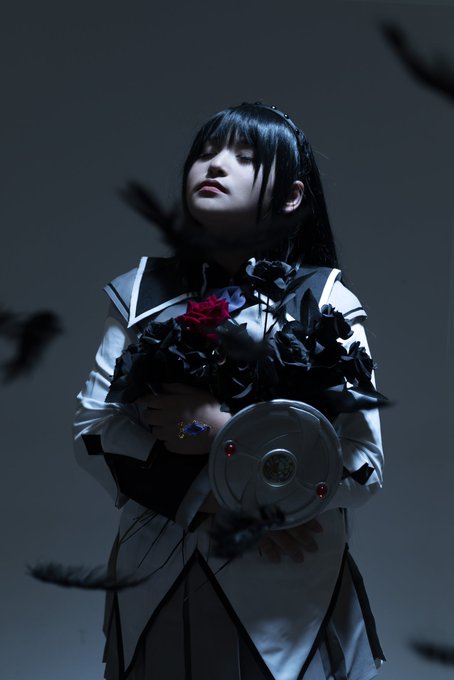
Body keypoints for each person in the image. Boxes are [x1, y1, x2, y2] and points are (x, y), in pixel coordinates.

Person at [74, 102, 385, 680]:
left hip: (293, 596)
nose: (214, 165)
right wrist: (217, 501)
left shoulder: (328, 301)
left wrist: (219, 433)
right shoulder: (140, 292)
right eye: (205, 153)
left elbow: (363, 465)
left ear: (291, 196)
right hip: (158, 585)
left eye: (244, 157)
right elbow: (93, 434)